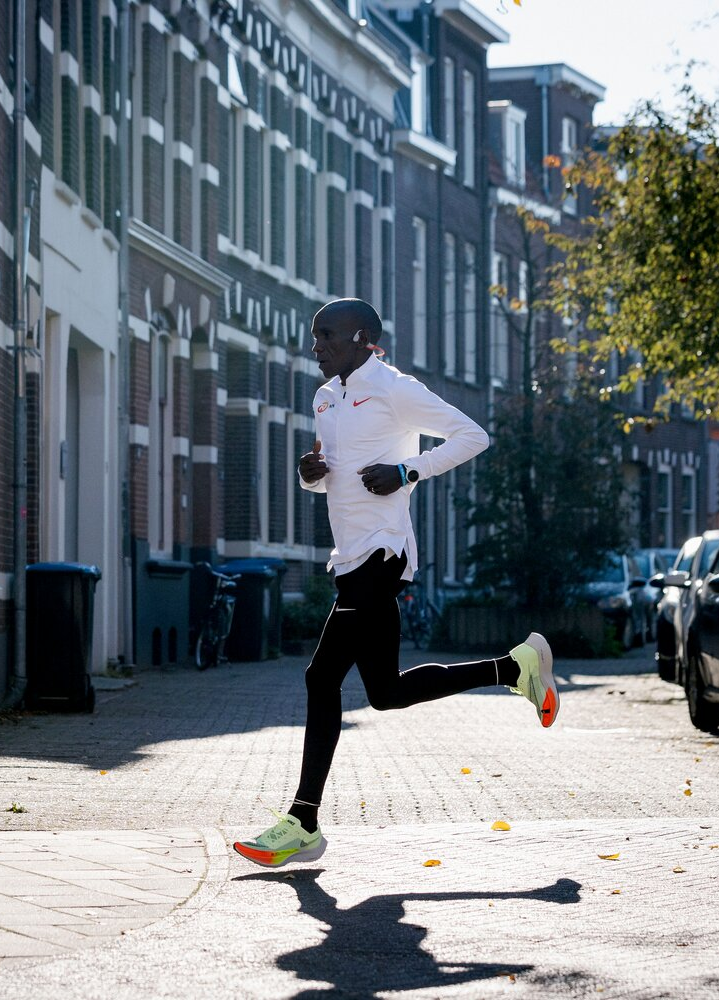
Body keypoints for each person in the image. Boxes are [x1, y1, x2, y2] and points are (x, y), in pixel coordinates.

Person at [232, 298, 559, 869]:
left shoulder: (393, 386)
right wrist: (312, 476)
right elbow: (329, 476)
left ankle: (302, 819)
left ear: (362, 337)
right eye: (314, 336)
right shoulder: (325, 397)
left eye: (326, 335)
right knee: (384, 693)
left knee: (320, 677)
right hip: (349, 557)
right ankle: (515, 668)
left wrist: (409, 471)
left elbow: (472, 435)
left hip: (383, 554)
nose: (317, 346)